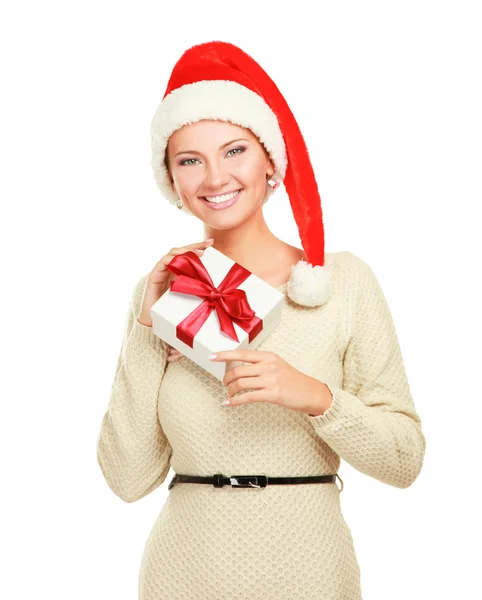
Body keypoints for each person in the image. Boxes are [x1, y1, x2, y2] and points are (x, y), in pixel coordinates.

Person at [96, 40, 426, 600]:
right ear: (172, 180)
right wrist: (149, 328)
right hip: (183, 573)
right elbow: (128, 478)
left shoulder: (342, 283)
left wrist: (315, 396)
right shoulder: (161, 293)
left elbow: (404, 459)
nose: (214, 177)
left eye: (234, 151)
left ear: (270, 161)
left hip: (311, 570)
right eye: (189, 160)